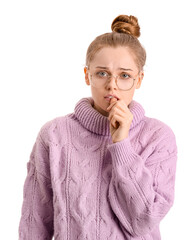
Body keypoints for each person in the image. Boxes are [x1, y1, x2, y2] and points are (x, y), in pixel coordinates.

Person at [18, 14, 178, 240]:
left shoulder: (158, 137)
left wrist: (122, 144)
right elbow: (34, 223)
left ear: (139, 80)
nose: (112, 85)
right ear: (87, 75)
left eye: (124, 75)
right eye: (102, 73)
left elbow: (144, 219)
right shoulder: (53, 136)